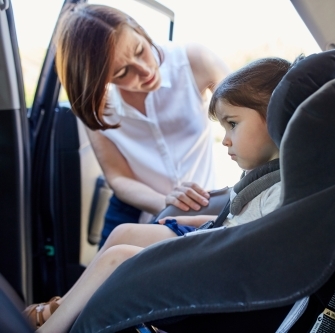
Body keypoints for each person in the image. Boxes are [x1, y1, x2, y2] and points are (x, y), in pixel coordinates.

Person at [24, 56, 302, 333]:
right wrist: (194, 222)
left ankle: (51, 328)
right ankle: (61, 309)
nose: (226, 139)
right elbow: (235, 217)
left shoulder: (281, 191)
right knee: (123, 233)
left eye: (233, 124)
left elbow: (246, 247)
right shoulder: (265, 175)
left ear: (274, 118)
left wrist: (196, 236)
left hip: (218, 275)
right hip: (212, 245)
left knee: (117, 258)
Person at [54, 3, 231, 247]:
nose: (145, 70)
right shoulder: (98, 106)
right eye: (123, 72)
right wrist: (166, 202)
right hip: (133, 212)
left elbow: (244, 116)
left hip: (199, 203)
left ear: (139, 29)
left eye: (139, 50)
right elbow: (117, 177)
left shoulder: (195, 61)